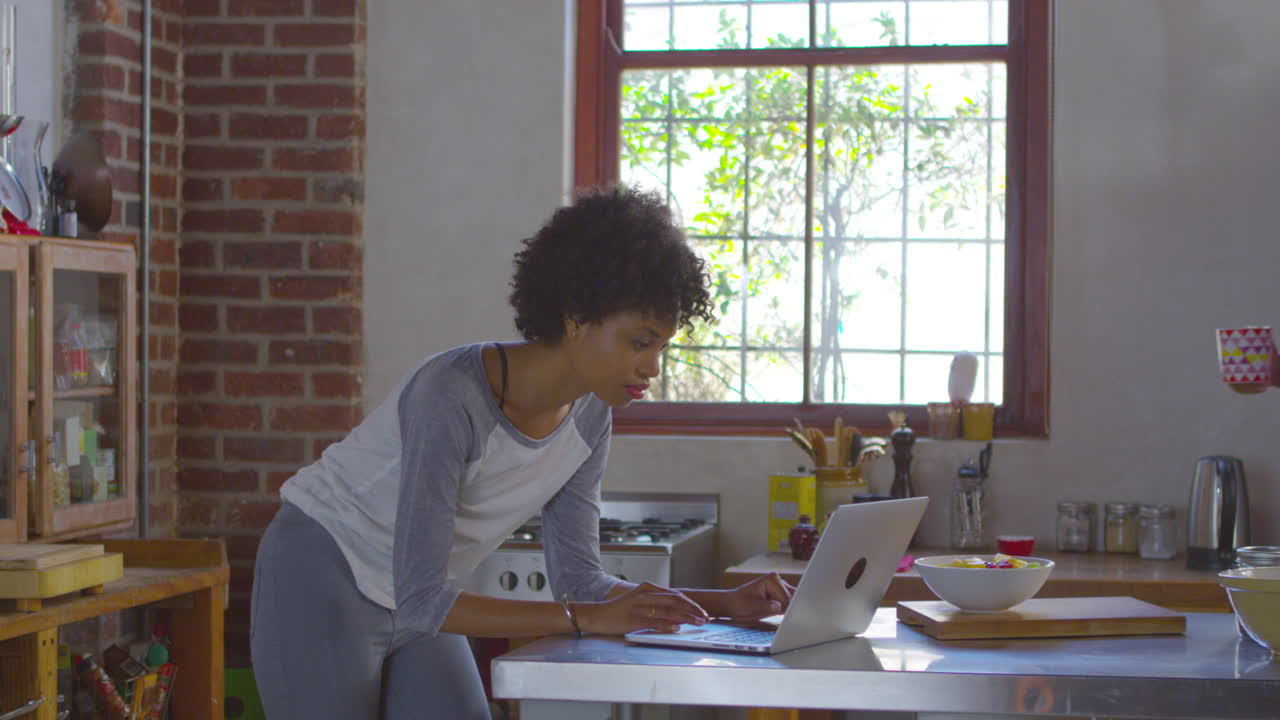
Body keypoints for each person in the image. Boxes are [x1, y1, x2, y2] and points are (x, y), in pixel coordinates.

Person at [250, 186, 795, 719]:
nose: (653, 367)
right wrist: (586, 620)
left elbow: (581, 583)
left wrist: (724, 604)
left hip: (421, 601)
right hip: (324, 573)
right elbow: (430, 599)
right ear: (576, 317)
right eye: (640, 341)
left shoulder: (590, 414)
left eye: (662, 346)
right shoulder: (451, 394)